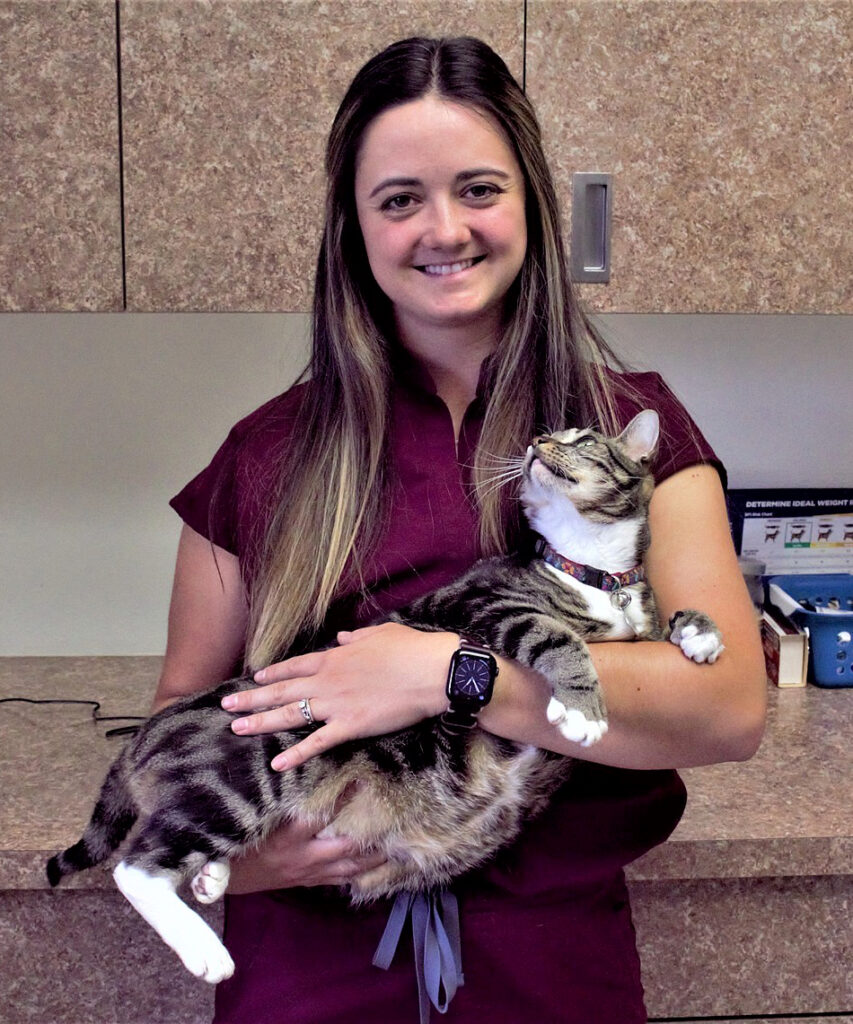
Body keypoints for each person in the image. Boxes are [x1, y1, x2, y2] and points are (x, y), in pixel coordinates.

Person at [156, 36, 766, 1024]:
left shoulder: (632, 433)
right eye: (399, 199)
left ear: (530, 200)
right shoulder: (263, 457)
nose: (445, 229)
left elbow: (728, 707)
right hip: (313, 971)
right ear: (353, 227)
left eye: (478, 188)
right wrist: (241, 864)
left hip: (553, 969)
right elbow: (178, 730)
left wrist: (454, 673)